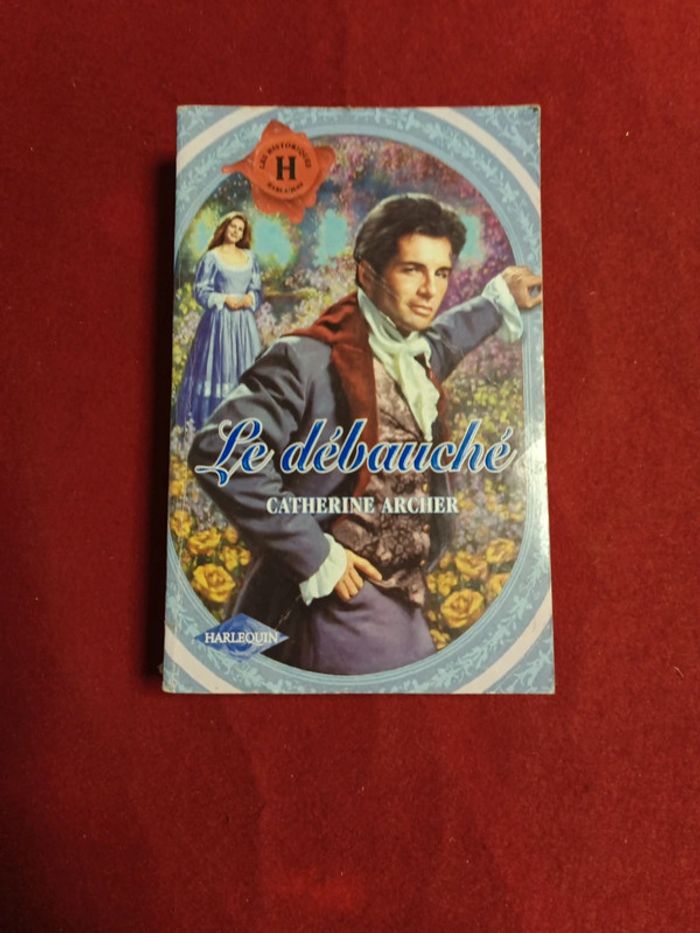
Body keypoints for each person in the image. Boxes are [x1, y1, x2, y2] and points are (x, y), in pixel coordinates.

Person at [189, 195, 542, 675]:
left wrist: (499, 299)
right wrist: (317, 554)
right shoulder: (307, 360)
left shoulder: (414, 353)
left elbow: (447, 338)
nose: (430, 291)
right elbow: (217, 450)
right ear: (366, 273)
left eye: (441, 273)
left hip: (402, 599)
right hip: (334, 607)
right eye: (412, 270)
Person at [175, 212, 263, 429]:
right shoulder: (211, 258)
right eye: (233, 226)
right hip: (219, 324)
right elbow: (200, 291)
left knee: (244, 367)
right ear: (224, 227)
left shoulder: (250, 258)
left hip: (244, 325)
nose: (236, 232)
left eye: (240, 229)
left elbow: (256, 289)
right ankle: (213, 424)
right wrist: (224, 299)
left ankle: (242, 423)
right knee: (219, 367)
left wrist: (249, 298)